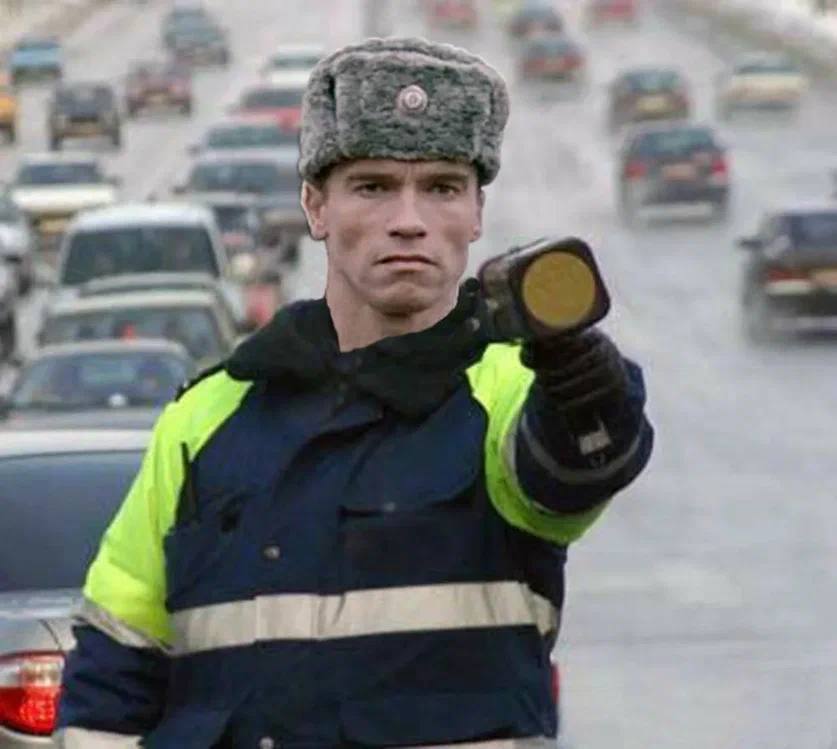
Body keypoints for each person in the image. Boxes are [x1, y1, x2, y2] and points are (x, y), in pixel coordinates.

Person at [56, 37, 654, 748]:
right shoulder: (205, 418)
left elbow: (579, 457)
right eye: (372, 186)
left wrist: (581, 377)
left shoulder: (514, 390)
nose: (409, 219)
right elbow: (111, 678)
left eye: (441, 187)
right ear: (315, 207)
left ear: (475, 213)